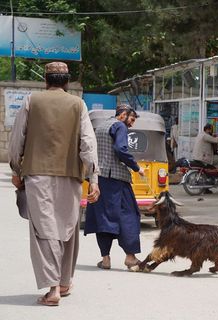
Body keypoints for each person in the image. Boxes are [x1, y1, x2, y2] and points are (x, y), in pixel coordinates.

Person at [8, 62, 100, 306]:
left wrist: (16, 169)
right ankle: (64, 282)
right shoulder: (78, 104)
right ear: (67, 81)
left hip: (37, 176)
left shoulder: (32, 101)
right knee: (67, 229)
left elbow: (17, 139)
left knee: (44, 231)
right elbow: (89, 144)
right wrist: (93, 178)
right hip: (71, 176)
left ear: (46, 80)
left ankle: (53, 290)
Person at [84, 105, 145, 270]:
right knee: (130, 215)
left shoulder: (102, 126)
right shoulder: (120, 126)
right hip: (116, 179)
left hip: (98, 179)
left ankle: (105, 259)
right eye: (131, 120)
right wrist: (136, 167)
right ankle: (130, 257)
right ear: (123, 115)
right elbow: (120, 149)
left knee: (103, 218)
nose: (131, 124)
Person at [192, 123, 218, 192]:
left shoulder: (200, 134)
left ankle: (208, 185)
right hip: (203, 158)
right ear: (207, 129)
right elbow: (216, 140)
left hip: (197, 156)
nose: (212, 132)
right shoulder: (206, 136)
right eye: (211, 130)